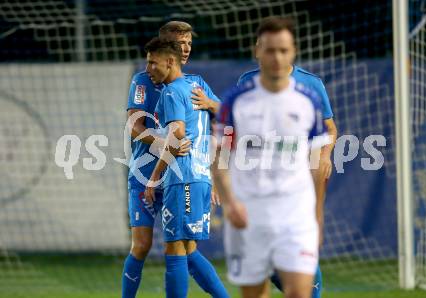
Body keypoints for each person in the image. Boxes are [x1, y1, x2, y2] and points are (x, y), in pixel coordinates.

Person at [212, 16, 329, 298]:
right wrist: (229, 203)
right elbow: (220, 157)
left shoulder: (308, 101)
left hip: (295, 216)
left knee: (300, 294)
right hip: (249, 215)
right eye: (270, 50)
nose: (277, 57)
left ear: (293, 52)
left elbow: (316, 166)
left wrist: (316, 218)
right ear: (257, 51)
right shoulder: (235, 102)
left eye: (283, 50)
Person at [122, 21, 225, 298]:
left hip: (179, 174)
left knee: (184, 249)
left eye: (190, 42)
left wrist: (210, 103)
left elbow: (221, 115)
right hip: (146, 173)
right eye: (182, 42)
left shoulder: (193, 84)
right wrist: (166, 144)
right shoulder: (144, 80)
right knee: (142, 246)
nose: (187, 48)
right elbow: (134, 125)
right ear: (167, 46)